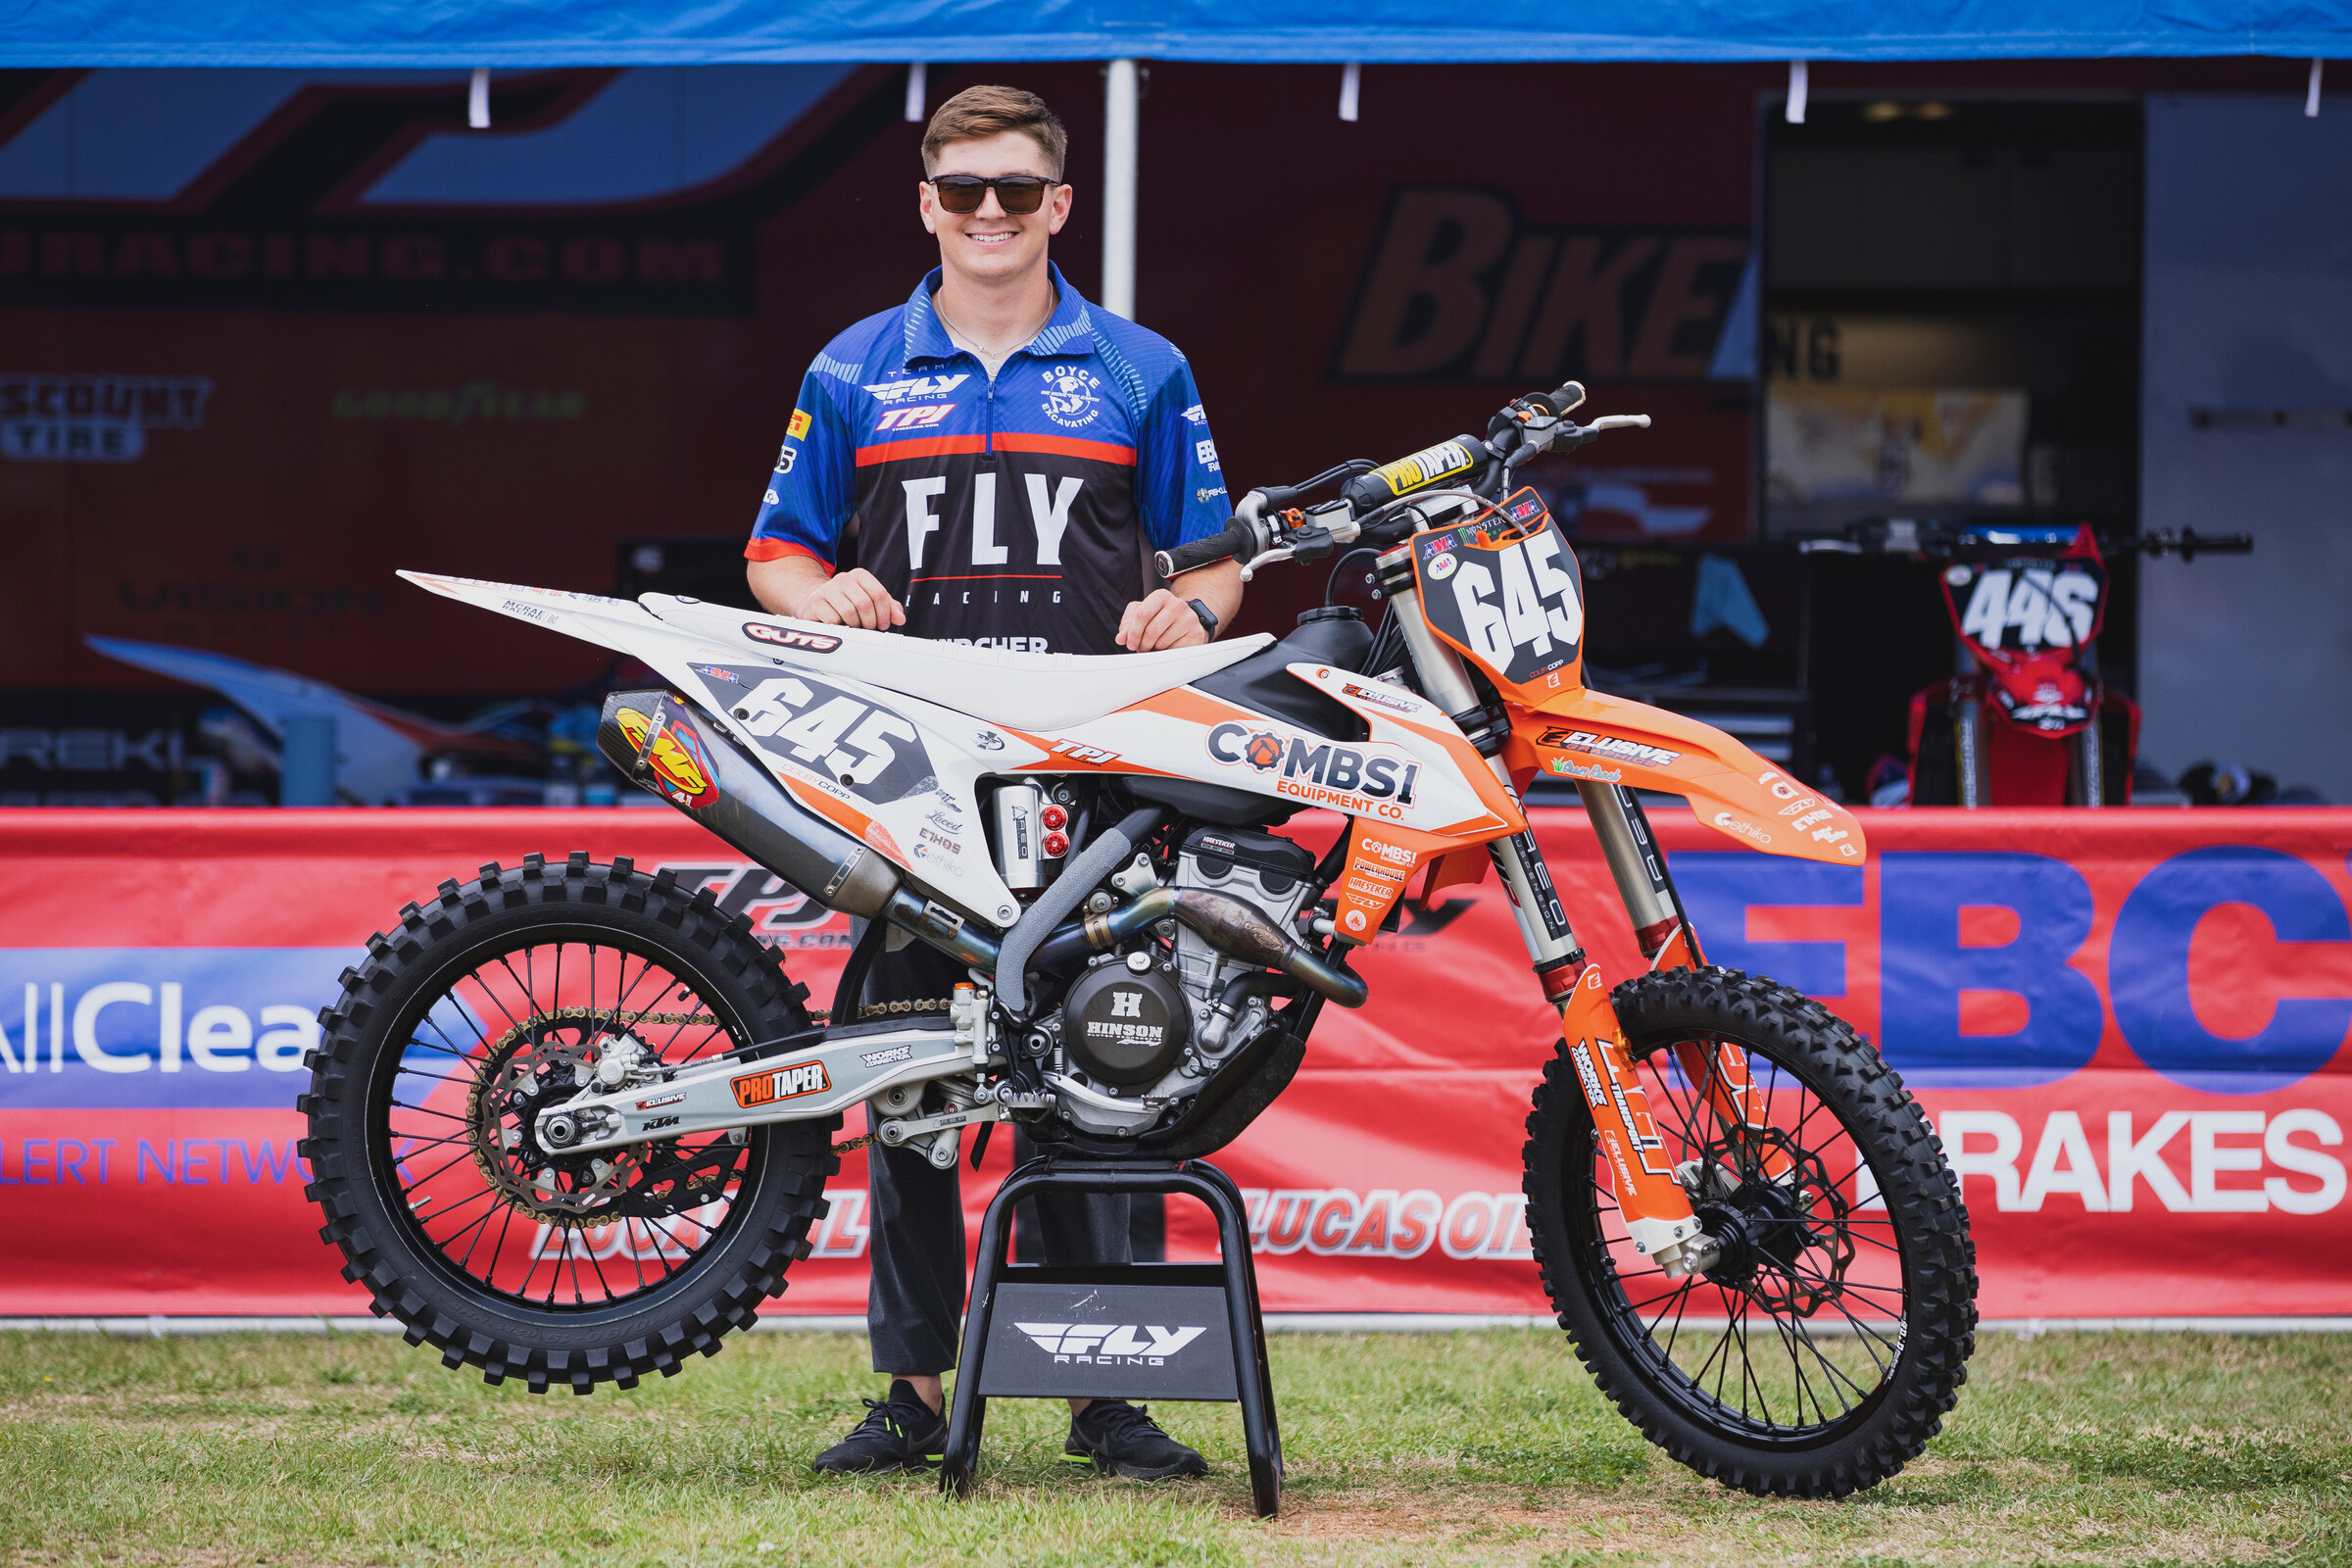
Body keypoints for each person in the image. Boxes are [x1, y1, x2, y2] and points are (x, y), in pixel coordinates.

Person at [744, 83, 1241, 1480]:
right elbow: (775, 551)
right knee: (910, 1078)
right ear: (925, 204)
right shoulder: (851, 368)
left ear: (1059, 204)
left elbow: (1215, 561)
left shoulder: (1143, 369)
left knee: (1107, 1069)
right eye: (963, 189)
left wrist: (1192, 611)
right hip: (914, 779)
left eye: (1017, 189)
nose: (989, 214)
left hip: (1093, 780)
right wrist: (817, 590)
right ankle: (912, 1395)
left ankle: (1103, 1390)